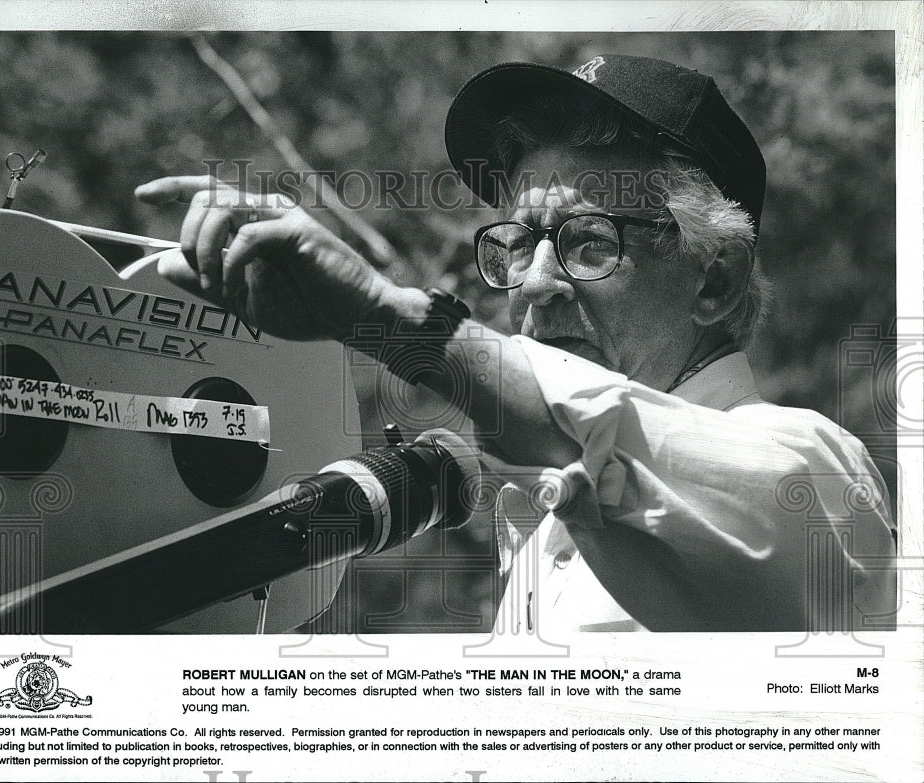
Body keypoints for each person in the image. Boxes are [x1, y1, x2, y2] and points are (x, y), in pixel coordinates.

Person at [135, 55, 896, 633]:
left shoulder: (815, 472)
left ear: (715, 281)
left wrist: (384, 314)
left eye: (588, 241)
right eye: (517, 244)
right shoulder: (543, 526)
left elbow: (614, 439)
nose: (533, 284)